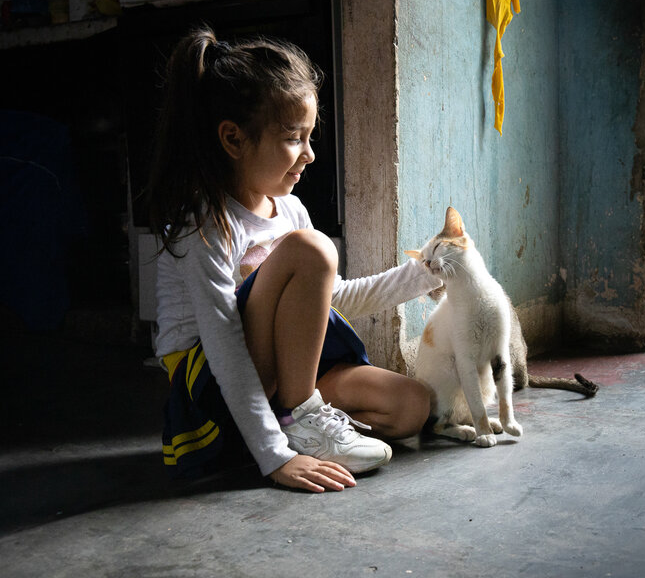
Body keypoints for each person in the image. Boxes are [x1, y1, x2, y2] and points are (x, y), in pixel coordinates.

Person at [147, 26, 441, 493]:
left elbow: (332, 298)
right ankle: (294, 424)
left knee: (411, 406)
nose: (309, 154)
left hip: (279, 378)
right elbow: (223, 346)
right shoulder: (204, 224)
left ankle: (298, 419)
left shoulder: (289, 208)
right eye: (293, 138)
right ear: (233, 138)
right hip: (211, 389)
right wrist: (276, 459)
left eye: (309, 136)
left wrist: (423, 274)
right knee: (312, 247)